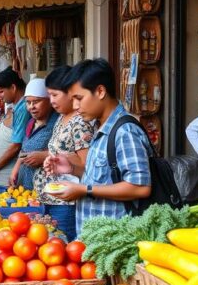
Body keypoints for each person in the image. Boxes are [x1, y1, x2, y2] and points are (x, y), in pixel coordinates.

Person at [45, 59, 152, 230]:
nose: (75, 106)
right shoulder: (99, 127)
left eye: (79, 98)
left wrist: (84, 190)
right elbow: (103, 178)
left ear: (100, 91)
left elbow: (139, 187)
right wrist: (72, 169)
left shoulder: (125, 131)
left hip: (115, 239)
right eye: (72, 99)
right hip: (95, 238)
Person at [34, 66, 95, 242]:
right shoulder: (62, 117)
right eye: (49, 95)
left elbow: (87, 166)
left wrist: (68, 166)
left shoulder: (79, 123)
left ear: (70, 93)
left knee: (65, 248)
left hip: (66, 203)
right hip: (52, 199)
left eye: (55, 95)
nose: (51, 100)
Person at [10, 78, 60, 192]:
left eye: (36, 102)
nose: (31, 106)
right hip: (25, 186)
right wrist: (15, 169)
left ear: (49, 101)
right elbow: (24, 149)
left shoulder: (57, 123)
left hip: (46, 188)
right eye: (28, 102)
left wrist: (45, 155)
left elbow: (66, 152)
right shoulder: (31, 123)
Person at [0, 69, 28, 190]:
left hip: (5, 179)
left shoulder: (23, 108)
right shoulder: (15, 107)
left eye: (1, 91)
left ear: (13, 88)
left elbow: (16, 145)